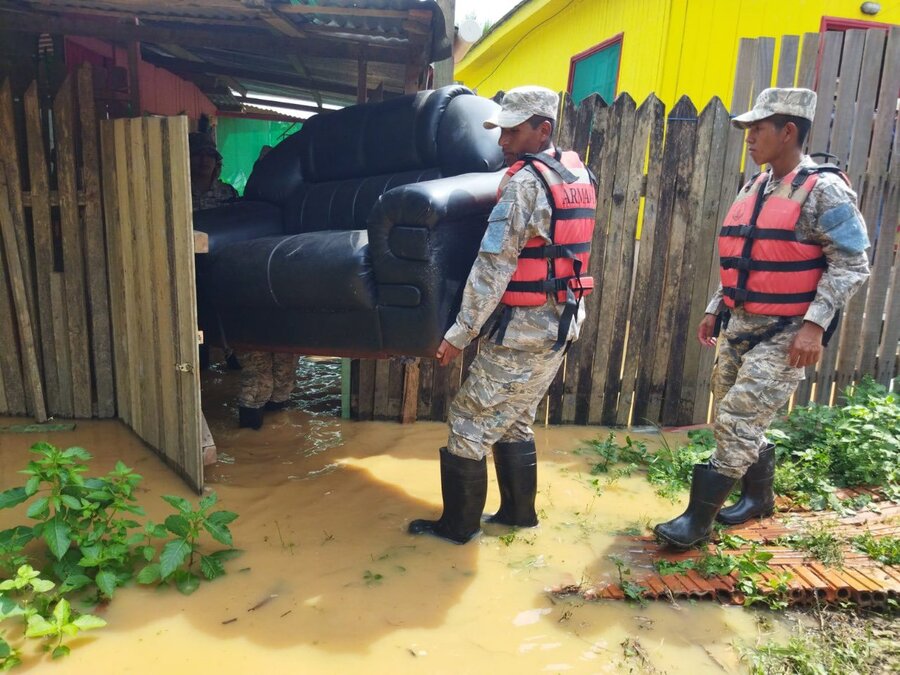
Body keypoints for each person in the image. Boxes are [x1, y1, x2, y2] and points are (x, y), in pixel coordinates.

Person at [653, 88, 871, 550]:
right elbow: (746, 255)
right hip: (741, 325)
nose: (748, 138)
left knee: (736, 420)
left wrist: (814, 326)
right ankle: (758, 498)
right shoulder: (758, 184)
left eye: (758, 129)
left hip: (787, 331)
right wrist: (717, 307)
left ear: (788, 131)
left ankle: (696, 523)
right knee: (735, 410)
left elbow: (853, 263)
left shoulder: (825, 189)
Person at [408, 86, 597, 544]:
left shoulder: (525, 185)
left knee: (469, 419)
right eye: (501, 130)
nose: (502, 142)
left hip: (525, 329)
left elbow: (493, 266)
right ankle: (517, 516)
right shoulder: (577, 173)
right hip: (561, 321)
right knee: (514, 418)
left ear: (543, 129)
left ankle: (457, 530)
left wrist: (460, 333)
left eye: (512, 132)